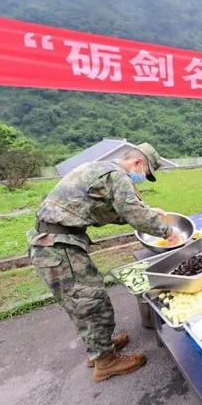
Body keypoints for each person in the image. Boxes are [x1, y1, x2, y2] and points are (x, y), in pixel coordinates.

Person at [27, 143, 179, 382]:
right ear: (139, 163)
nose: (142, 178)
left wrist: (148, 209)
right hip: (57, 246)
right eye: (146, 173)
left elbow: (112, 211)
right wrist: (168, 232)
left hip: (54, 242)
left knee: (82, 301)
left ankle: (100, 349)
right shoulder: (117, 175)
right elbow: (133, 214)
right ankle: (105, 362)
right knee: (91, 301)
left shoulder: (100, 169)